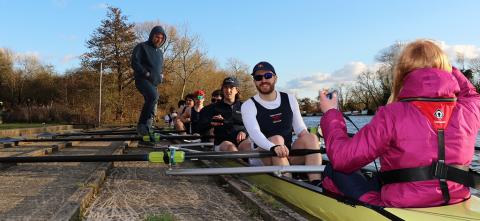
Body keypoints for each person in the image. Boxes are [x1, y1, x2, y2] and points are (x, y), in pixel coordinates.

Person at [318, 39, 480, 207]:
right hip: (455, 199)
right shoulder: (469, 109)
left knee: (335, 170)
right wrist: (444, 68)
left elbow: (342, 158)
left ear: (402, 73)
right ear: (445, 69)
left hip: (401, 204)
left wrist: (331, 113)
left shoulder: (391, 114)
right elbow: (472, 94)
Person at [241, 61, 322, 184]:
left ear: (275, 78)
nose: (263, 80)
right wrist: (273, 147)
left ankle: (316, 182)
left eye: (267, 76)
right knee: (277, 139)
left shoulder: (290, 99)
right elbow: (255, 133)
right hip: (263, 154)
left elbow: (300, 128)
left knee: (311, 138)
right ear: (254, 81)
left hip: (287, 153)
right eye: (258, 77)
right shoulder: (248, 105)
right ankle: (289, 183)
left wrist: (313, 142)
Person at [131, 25, 167, 136]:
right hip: (142, 79)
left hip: (154, 82)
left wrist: (160, 76)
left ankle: (147, 127)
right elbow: (134, 62)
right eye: (157, 37)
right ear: (152, 36)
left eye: (161, 38)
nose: (159, 40)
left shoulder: (160, 53)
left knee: (153, 103)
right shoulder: (142, 47)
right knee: (153, 97)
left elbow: (158, 67)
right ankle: (141, 125)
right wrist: (145, 73)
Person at [199, 77, 251, 151]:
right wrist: (211, 123)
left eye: (231, 88)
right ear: (222, 90)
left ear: (236, 90)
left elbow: (252, 125)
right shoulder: (212, 108)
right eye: (225, 87)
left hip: (241, 141)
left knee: (249, 147)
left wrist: (244, 132)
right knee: (231, 148)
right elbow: (200, 127)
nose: (228, 90)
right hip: (222, 143)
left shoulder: (245, 107)